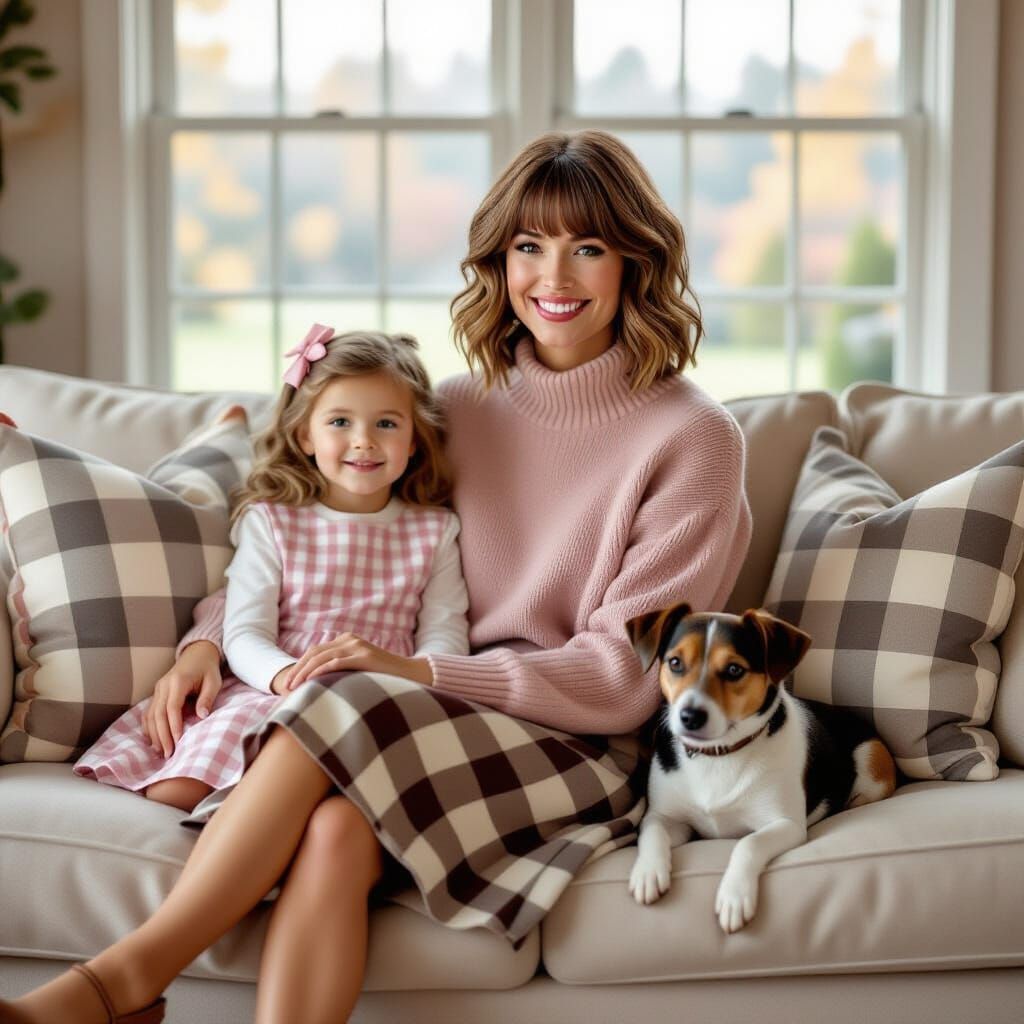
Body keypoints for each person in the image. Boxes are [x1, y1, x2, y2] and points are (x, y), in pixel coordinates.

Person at [1, 129, 753, 1024]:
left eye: (587, 247)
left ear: (636, 259)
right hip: (412, 718)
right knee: (333, 828)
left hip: (576, 742)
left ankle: (115, 986)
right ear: (497, 261)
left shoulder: (693, 437)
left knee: (346, 693)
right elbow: (333, 536)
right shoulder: (458, 407)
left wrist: (422, 674)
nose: (554, 277)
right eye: (528, 246)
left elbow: (622, 679)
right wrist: (207, 642)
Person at [73, 328, 469, 815]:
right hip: (276, 682)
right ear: (305, 435)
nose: (364, 442)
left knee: (334, 791)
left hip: (380, 687)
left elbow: (445, 634)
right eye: (340, 421)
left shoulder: (435, 530)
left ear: (415, 439)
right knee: (175, 793)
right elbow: (244, 631)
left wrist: (409, 677)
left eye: (386, 424)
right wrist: (284, 678)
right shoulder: (273, 519)